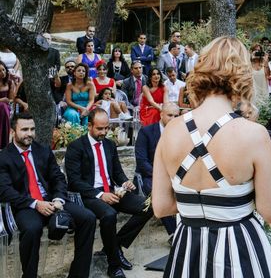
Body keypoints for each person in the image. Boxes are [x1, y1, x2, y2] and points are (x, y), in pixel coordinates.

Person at [151, 36, 271, 276]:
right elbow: (270, 211)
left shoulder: (171, 130)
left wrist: (198, 205)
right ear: (242, 74)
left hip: (188, 249)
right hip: (239, 250)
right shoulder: (254, 134)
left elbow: (161, 207)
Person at [0, 113, 97, 278]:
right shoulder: (4, 157)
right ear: (12, 131)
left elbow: (58, 178)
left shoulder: (43, 150)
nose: (29, 133)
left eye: (32, 129)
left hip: (52, 201)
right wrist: (36, 204)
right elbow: (5, 191)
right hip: (26, 205)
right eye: (24, 129)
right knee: (32, 228)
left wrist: (58, 198)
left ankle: (79, 274)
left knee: (88, 218)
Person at [65, 108, 153, 278]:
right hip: (89, 195)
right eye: (100, 128)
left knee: (148, 206)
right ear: (89, 126)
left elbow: (117, 172)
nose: (104, 132)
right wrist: (100, 195)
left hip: (112, 191)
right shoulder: (76, 147)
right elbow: (75, 181)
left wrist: (124, 182)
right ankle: (113, 265)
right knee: (109, 214)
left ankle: (114, 245)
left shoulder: (110, 144)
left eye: (106, 128)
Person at [134, 102, 180, 236]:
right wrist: (161, 177)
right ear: (161, 114)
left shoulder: (181, 133)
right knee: (159, 190)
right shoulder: (146, 132)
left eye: (176, 116)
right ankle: (173, 233)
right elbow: (142, 161)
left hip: (174, 174)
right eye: (170, 115)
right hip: (150, 175)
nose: (173, 119)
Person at [0, 60, 17, 149]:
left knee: (3, 107)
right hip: (2, 106)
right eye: (0, 71)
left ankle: (4, 142)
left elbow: (11, 99)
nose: (2, 73)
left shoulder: (9, 82)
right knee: (2, 106)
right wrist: (2, 99)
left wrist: (7, 101)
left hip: (5, 108)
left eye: (3, 70)